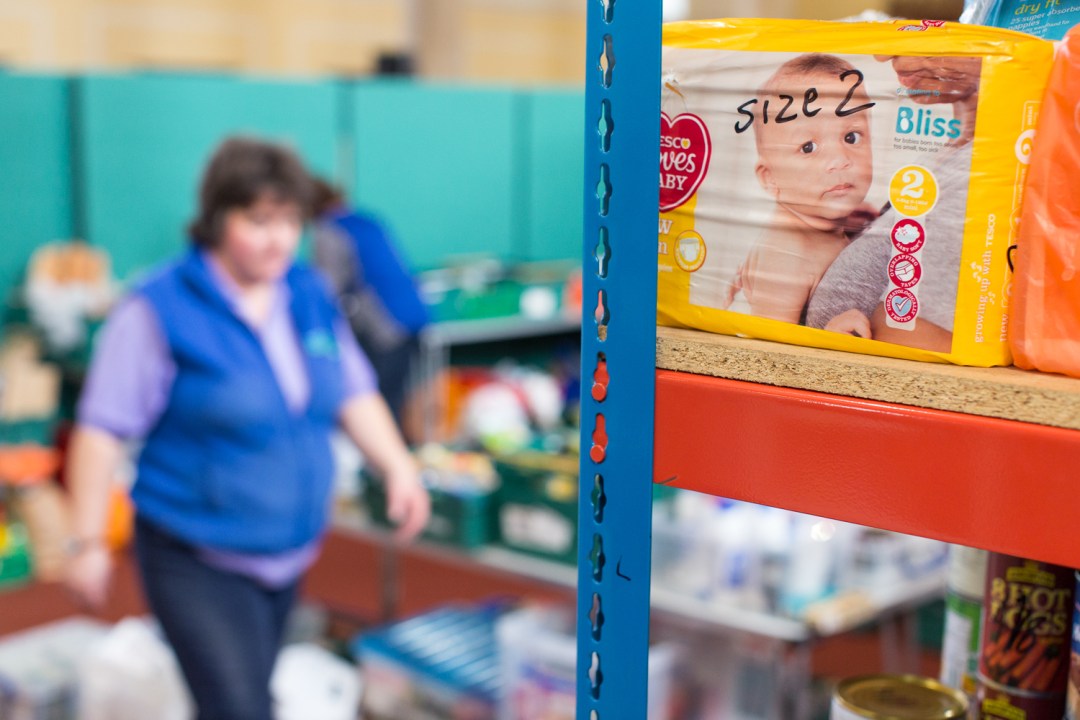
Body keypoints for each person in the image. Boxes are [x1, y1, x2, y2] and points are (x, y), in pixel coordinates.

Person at [64, 137, 430, 720]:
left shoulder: (307, 293)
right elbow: (101, 428)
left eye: (289, 221)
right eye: (257, 220)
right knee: (239, 709)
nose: (278, 238)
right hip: (195, 554)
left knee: (249, 697)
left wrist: (399, 467)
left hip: (287, 551)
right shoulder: (159, 307)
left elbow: (353, 389)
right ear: (215, 219)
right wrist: (86, 542)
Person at [806, 55, 982, 352]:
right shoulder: (946, 154)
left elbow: (918, 346)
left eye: (851, 137)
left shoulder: (975, 177)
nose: (882, 56)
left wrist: (836, 351)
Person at [725, 53, 876, 324]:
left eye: (851, 137)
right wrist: (828, 333)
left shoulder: (822, 225)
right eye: (808, 147)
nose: (840, 160)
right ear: (770, 178)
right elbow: (768, 349)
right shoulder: (786, 255)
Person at [311, 179, 429, 428]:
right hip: (413, 319)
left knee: (378, 408)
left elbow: (325, 290)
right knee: (393, 403)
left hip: (387, 328)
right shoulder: (368, 221)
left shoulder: (329, 231)